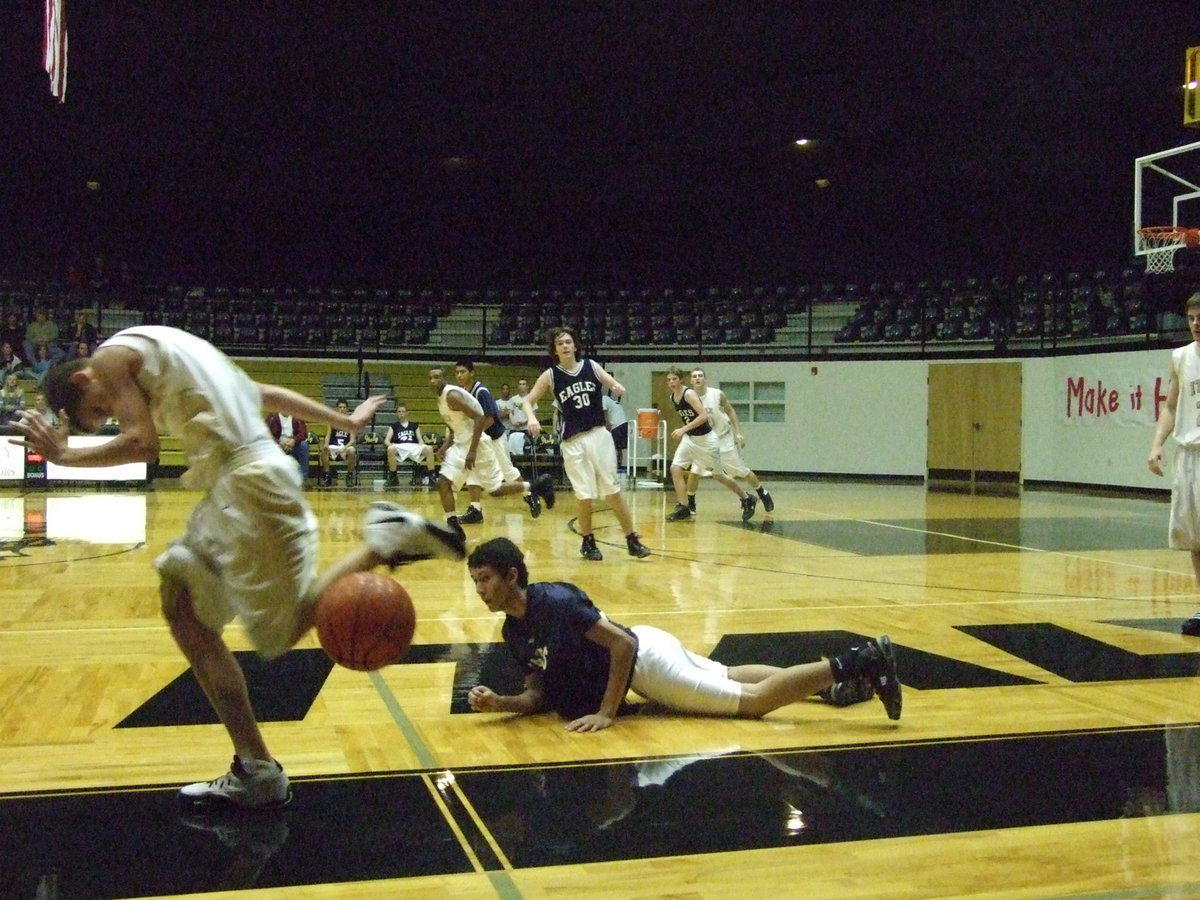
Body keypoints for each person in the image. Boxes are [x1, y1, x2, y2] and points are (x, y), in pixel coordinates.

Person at [9, 325, 465, 809]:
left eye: (100, 409)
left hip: (244, 484)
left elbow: (143, 445)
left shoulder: (107, 361)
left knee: (269, 632)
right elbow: (265, 394)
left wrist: (63, 455)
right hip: (261, 476)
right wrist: (345, 422)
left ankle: (259, 770)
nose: (112, 414)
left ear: (83, 379)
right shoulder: (175, 351)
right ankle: (257, 768)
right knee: (185, 605)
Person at [465, 537, 901, 730]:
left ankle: (857, 662)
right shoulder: (514, 631)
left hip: (647, 663)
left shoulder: (555, 602)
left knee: (754, 705)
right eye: (475, 582)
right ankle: (831, 687)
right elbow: (537, 695)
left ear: (512, 574)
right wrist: (499, 703)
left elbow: (623, 644)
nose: (480, 590)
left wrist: (606, 712)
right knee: (730, 674)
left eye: (485, 579)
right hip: (651, 647)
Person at [522, 327, 650, 560]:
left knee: (612, 490)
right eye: (560, 343)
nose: (565, 346)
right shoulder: (551, 375)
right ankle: (588, 542)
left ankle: (631, 538)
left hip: (599, 434)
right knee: (584, 494)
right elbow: (528, 402)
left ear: (576, 346)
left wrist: (615, 386)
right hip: (572, 440)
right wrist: (531, 417)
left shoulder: (591, 365)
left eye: (569, 341)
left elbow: (611, 383)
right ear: (555, 350)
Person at [429, 367, 555, 535]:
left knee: (500, 480)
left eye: (437, 377)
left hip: (486, 440)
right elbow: (455, 424)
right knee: (455, 484)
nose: (433, 381)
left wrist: (472, 450)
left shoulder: (463, 393)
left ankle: (534, 487)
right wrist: (445, 446)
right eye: (430, 378)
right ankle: (460, 521)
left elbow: (483, 417)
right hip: (466, 443)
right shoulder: (446, 397)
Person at [1149, 292, 1200, 637]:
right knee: (1195, 540)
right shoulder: (1181, 357)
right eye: (1192, 318)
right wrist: (1156, 445)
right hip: (1188, 455)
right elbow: (1170, 406)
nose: (1197, 323)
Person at [663, 367, 756, 523]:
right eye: (669, 380)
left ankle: (747, 498)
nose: (671, 382)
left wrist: (683, 429)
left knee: (718, 475)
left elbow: (703, 416)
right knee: (675, 468)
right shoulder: (673, 397)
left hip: (706, 440)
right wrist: (685, 431)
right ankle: (683, 506)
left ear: (681, 380)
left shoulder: (689, 394)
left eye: (674, 379)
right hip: (691, 438)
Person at [454, 359, 535, 523]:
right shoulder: (461, 392)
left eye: (463, 372)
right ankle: (475, 509)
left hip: (494, 437)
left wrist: (473, 435)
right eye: (457, 372)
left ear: (472, 373)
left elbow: (490, 419)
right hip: (480, 439)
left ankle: (530, 494)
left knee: (507, 471)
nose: (459, 375)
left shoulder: (481, 391)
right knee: (472, 472)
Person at [684, 368, 774, 514]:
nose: (698, 378)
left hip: (723, 438)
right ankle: (691, 504)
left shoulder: (717, 394)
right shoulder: (688, 398)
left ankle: (763, 493)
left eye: (700, 376)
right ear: (691, 381)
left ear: (705, 379)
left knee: (741, 471)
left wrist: (738, 433)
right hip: (705, 441)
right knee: (695, 471)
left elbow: (730, 411)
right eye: (694, 376)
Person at [384, 402, 438, 486]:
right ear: (396, 414)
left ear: (407, 413)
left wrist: (422, 446)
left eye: (403, 411)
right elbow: (386, 440)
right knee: (390, 449)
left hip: (413, 446)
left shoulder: (414, 425)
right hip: (400, 446)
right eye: (399, 411)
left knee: (429, 448)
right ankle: (393, 477)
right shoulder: (393, 426)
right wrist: (390, 445)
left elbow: (420, 440)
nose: (401, 413)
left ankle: (432, 476)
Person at [318, 398, 359, 487]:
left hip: (345, 447)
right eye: (340, 407)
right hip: (334, 446)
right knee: (324, 451)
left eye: (344, 407)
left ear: (347, 409)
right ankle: (327, 476)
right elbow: (328, 436)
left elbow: (352, 440)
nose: (342, 409)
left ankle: (349, 476)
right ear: (337, 409)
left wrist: (346, 446)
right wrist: (325, 444)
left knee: (352, 451)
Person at [265, 410, 310, 478]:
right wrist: (279, 443)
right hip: (278, 446)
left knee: (304, 445)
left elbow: (303, 433)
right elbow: (267, 434)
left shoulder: (297, 416)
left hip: (294, 445)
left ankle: (303, 477)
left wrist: (294, 441)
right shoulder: (272, 417)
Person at [508, 377, 537, 456]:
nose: (522, 386)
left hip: (526, 429)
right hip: (515, 429)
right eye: (520, 384)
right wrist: (513, 422)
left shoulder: (531, 398)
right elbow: (510, 412)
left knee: (527, 451)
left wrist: (524, 422)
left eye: (524, 384)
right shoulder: (513, 399)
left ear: (527, 386)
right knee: (511, 450)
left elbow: (533, 414)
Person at [603, 389, 628, 473]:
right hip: (624, 424)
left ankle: (614, 466)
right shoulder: (615, 402)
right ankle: (619, 465)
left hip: (616, 425)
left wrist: (607, 429)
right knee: (619, 448)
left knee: (614, 447)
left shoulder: (604, 399)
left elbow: (605, 415)